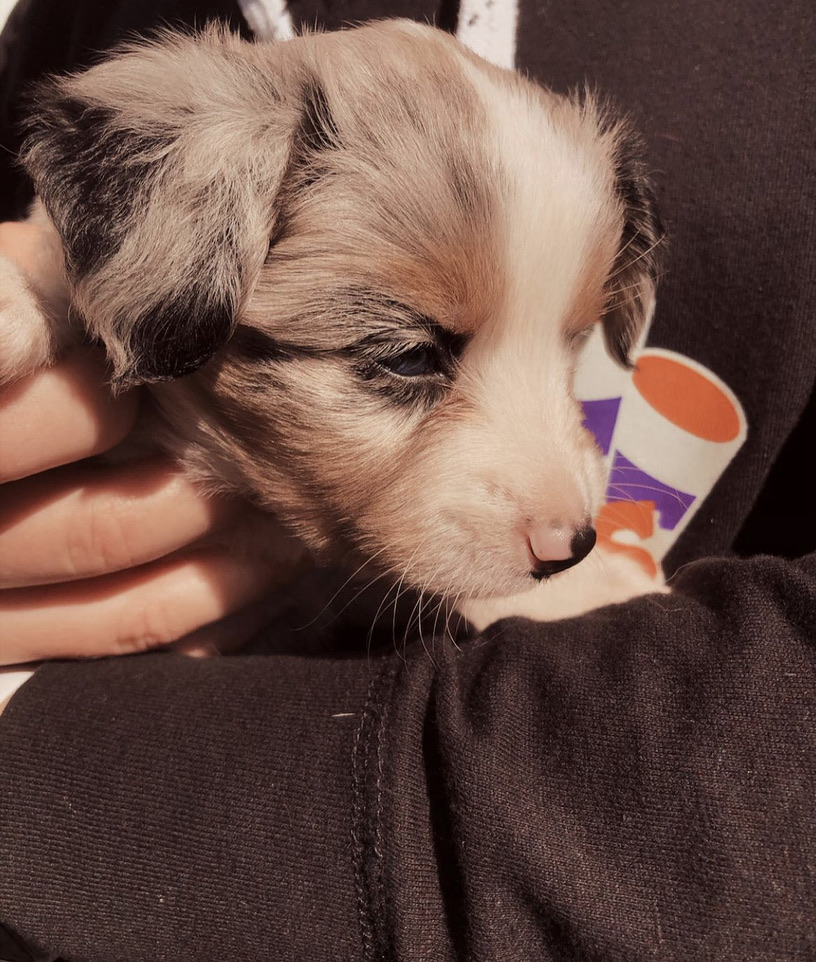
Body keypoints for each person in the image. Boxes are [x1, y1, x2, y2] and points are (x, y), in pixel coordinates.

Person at [0, 0, 814, 958]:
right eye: (409, 357)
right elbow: (62, 270)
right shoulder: (124, 75)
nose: (566, 517)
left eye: (568, 343)